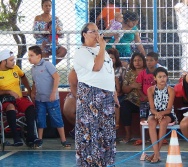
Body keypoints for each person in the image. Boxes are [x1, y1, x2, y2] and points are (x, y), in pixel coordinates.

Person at [74, 22, 119, 166]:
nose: (96, 34)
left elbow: (109, 72)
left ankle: (103, 162)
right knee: (90, 129)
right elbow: (96, 67)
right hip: (90, 94)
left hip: (107, 94)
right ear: (84, 34)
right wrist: (103, 48)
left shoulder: (101, 50)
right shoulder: (82, 52)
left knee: (105, 130)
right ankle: (89, 162)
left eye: (97, 31)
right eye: (93, 31)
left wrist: (114, 93)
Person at [28, 45, 71, 148]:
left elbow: (56, 77)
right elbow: (34, 82)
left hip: (51, 98)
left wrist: (53, 92)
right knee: (40, 118)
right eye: (29, 56)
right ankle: (40, 139)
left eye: (31, 55)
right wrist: (33, 92)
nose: (29, 58)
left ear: (39, 56)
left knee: (56, 117)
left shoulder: (47, 65)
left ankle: (63, 140)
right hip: (40, 98)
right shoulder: (33, 69)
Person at [0, 49, 41, 147]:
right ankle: (16, 138)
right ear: (3, 61)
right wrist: (8, 91)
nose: (14, 62)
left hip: (19, 98)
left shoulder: (15, 68)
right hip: (5, 99)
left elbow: (23, 77)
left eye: (14, 59)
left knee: (30, 107)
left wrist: (29, 90)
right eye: (11, 60)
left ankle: (31, 136)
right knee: (10, 108)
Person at [146, 67, 177, 163]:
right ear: (155, 78)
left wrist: (161, 114)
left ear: (167, 77)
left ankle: (156, 154)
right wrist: (157, 114)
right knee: (151, 121)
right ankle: (156, 153)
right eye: (159, 77)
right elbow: (152, 108)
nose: (162, 79)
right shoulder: (150, 90)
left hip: (167, 113)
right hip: (155, 112)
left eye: (164, 76)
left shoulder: (171, 90)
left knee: (163, 122)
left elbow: (169, 109)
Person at [120, 52, 146, 143]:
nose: (137, 62)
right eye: (135, 60)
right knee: (124, 106)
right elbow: (124, 89)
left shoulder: (147, 72)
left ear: (144, 61)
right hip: (132, 100)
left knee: (145, 110)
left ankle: (143, 137)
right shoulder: (129, 73)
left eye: (139, 60)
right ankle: (128, 135)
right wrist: (132, 86)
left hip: (145, 100)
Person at [107, 48, 126, 129]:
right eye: (108, 58)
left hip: (119, 94)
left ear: (116, 59)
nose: (110, 60)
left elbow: (120, 88)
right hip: (107, 93)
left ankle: (116, 124)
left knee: (115, 102)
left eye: (112, 58)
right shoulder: (102, 69)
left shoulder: (121, 69)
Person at [63, 68, 77, 138]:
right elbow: (73, 86)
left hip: (95, 95)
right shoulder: (74, 71)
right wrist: (79, 98)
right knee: (69, 111)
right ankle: (78, 128)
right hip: (77, 94)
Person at [174, 0, 188, 71]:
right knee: (186, 49)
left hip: (184, 31)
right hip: (184, 32)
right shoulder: (179, 6)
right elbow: (184, 14)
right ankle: (185, 70)